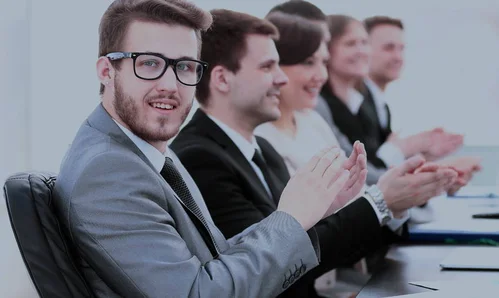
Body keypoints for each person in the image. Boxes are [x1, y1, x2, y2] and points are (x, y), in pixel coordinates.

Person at [53, 1, 352, 297]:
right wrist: (292, 219)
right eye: (149, 63)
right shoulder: (108, 173)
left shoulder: (146, 152)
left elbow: (215, 258)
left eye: (184, 66)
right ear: (106, 71)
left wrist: (308, 213)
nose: (170, 85)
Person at [170, 9, 458, 298]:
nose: (281, 79)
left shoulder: (262, 151)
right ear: (222, 79)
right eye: (268, 67)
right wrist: (379, 202)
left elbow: (299, 247)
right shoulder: (200, 157)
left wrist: (379, 205)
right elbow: (270, 270)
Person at [315, 14, 467, 186]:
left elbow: (379, 165)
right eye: (350, 44)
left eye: (364, 43)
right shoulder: (321, 105)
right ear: (327, 50)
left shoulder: (361, 104)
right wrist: (404, 148)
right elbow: (365, 168)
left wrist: (424, 157)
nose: (361, 51)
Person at [363, 15, 481, 193]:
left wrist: (425, 158)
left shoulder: (380, 106)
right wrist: (406, 147)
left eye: (401, 49)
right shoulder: (355, 104)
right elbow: (370, 173)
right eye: (388, 48)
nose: (398, 57)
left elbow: (383, 168)